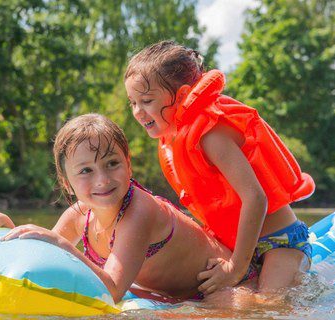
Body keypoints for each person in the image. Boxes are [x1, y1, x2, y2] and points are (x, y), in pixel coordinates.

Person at [0, 114, 253, 303]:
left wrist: (59, 242)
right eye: (86, 171)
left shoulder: (139, 212)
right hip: (179, 295)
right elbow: (42, 259)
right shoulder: (78, 216)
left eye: (112, 164)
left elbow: (112, 290)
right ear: (66, 182)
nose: (103, 180)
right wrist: (6, 225)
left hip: (227, 288)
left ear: (129, 164)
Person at [124, 40, 315, 295]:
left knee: (270, 305)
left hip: (278, 242)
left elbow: (256, 198)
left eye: (146, 101)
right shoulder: (175, 142)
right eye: (132, 102)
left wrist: (236, 267)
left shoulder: (210, 135)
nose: (138, 111)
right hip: (230, 246)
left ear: (181, 96)